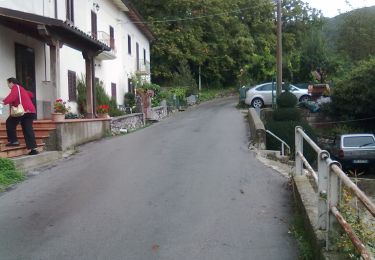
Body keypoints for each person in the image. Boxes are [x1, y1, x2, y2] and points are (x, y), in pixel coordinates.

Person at [2, 77, 39, 155]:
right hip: (30, 111)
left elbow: (12, 96)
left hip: (23, 111)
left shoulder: (16, 87)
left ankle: (13, 141)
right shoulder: (22, 89)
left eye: (8, 83)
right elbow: (31, 95)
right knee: (28, 129)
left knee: (10, 122)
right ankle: (33, 149)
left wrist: (3, 102)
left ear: (11, 82)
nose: (8, 85)